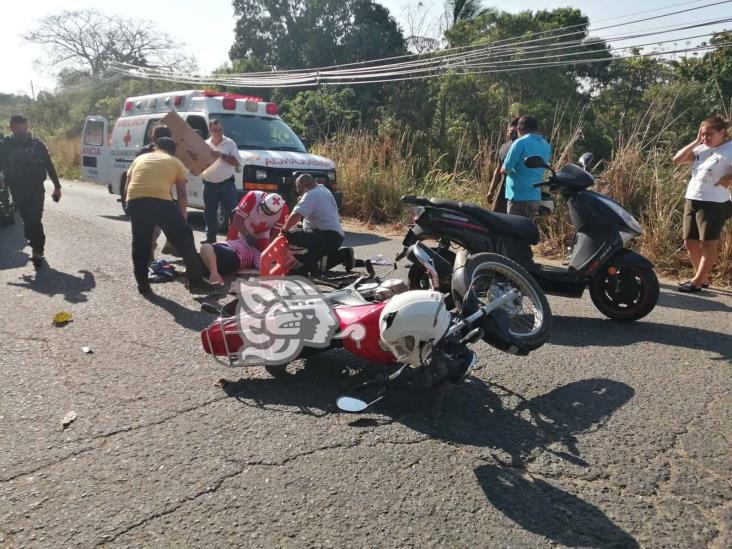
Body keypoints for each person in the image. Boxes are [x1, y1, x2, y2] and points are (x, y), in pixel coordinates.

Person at [125, 137, 219, 295]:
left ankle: (143, 286)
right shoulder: (176, 163)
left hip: (136, 201)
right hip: (160, 202)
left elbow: (128, 183)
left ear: (155, 147)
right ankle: (195, 282)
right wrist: (182, 220)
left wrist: (129, 205)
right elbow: (182, 194)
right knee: (185, 237)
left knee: (140, 244)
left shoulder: (140, 158)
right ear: (173, 151)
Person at [672, 115, 732, 292]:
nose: (706, 138)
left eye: (709, 134)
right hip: (693, 198)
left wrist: (727, 178)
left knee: (708, 242)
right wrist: (697, 141)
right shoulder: (701, 148)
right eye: (703, 134)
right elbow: (677, 160)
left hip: (713, 202)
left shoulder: (730, 148)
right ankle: (703, 277)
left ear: (722, 132)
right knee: (689, 241)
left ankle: (697, 281)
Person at [1, 115, 61, 268]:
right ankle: (33, 241)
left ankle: (37, 250)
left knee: (34, 219)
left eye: (23, 128)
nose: (21, 132)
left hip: (35, 189)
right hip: (17, 189)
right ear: (12, 128)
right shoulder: (6, 146)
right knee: (27, 221)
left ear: (27, 127)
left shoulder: (37, 145)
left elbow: (48, 164)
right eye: (17, 128)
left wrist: (57, 186)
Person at [281, 174, 344, 275]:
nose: (299, 194)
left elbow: (296, 215)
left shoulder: (311, 194)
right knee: (302, 269)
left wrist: (283, 231)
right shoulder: (323, 190)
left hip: (328, 236)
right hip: (335, 236)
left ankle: (313, 267)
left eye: (300, 191)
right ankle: (343, 255)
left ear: (305, 187)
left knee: (291, 235)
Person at [133, 123, 177, 258]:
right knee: (153, 228)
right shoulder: (145, 153)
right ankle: (149, 254)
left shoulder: (170, 153)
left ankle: (168, 245)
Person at [501, 115, 552, 219]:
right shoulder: (546, 145)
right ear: (536, 129)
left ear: (519, 128)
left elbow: (505, 169)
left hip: (518, 197)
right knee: (527, 230)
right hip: (535, 197)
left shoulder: (519, 143)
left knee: (514, 231)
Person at [201, 119, 241, 244]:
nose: (218, 132)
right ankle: (210, 238)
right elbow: (197, 161)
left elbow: (237, 162)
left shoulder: (230, 143)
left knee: (233, 213)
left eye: (220, 130)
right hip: (209, 184)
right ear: (210, 130)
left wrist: (222, 155)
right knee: (209, 213)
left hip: (226, 184)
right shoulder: (204, 144)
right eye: (215, 130)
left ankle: (234, 238)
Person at [487, 117, 519, 213]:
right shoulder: (503, 147)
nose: (512, 133)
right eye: (510, 130)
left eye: (515, 131)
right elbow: (498, 169)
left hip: (518, 194)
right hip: (502, 191)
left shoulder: (523, 147)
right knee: (496, 218)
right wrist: (491, 190)